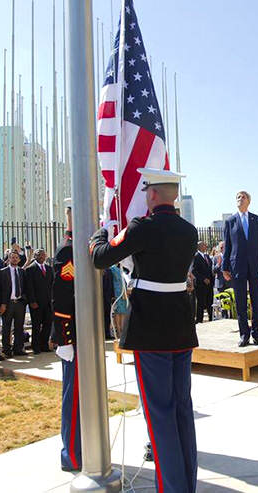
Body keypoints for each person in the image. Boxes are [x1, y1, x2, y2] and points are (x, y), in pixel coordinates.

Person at [91, 168, 199, 493]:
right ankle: (185, 485)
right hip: (180, 328)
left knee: (160, 415)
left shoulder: (142, 227)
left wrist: (99, 234)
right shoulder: (189, 230)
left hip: (151, 330)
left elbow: (101, 257)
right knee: (181, 410)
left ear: (151, 194)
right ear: (174, 195)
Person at [52, 198, 82, 473]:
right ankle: (71, 454)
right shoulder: (68, 250)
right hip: (73, 336)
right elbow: (61, 298)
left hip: (85, 334)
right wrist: (66, 338)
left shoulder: (82, 247)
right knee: (73, 399)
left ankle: (82, 449)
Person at [222, 190, 258, 347]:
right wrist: (225, 267)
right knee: (240, 302)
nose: (240, 199)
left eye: (243, 197)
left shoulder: (257, 220)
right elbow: (227, 246)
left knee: (257, 301)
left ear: (248, 201)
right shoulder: (230, 221)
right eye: (237, 197)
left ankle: (257, 334)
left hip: (256, 266)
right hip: (237, 267)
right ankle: (244, 335)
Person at [0, 249, 28, 357]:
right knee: (6, 327)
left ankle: (18, 349)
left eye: (16, 257)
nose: (14, 259)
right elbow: (0, 289)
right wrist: (2, 304)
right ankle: (6, 350)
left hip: (20, 302)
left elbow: (25, 286)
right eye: (12, 257)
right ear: (8, 259)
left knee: (19, 327)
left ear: (19, 259)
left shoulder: (22, 271)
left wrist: (25, 300)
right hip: (8, 303)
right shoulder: (3, 272)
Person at [25, 248, 54, 353]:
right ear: (35, 256)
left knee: (48, 324)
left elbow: (52, 285)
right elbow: (29, 287)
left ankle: (44, 344)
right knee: (36, 325)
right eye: (39, 255)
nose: (41, 257)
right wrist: (32, 301)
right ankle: (36, 346)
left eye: (43, 255)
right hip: (36, 303)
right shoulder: (30, 269)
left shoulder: (49, 269)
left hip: (48, 302)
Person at [192, 241, 214, 324]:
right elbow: (194, 271)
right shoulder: (196, 257)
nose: (206, 246)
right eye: (204, 245)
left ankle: (211, 318)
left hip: (209, 284)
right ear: (200, 246)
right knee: (201, 303)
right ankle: (199, 320)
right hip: (201, 285)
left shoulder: (207, 256)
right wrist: (203, 279)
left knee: (210, 302)